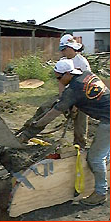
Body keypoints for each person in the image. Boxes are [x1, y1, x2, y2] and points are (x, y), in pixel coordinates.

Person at [19, 58, 110, 206]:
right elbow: (85, 97)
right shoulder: (85, 74)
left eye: (59, 78)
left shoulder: (73, 90)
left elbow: (51, 115)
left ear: (68, 73)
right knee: (104, 151)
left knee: (94, 158)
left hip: (109, 121)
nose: (59, 81)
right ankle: (105, 174)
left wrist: (34, 126)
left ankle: (100, 193)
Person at [58, 34, 91, 149]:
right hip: (69, 94)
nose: (62, 52)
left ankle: (80, 146)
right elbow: (61, 82)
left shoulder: (82, 62)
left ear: (70, 48)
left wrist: (76, 107)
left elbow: (85, 85)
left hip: (82, 97)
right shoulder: (63, 60)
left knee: (80, 124)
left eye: (64, 50)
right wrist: (62, 99)